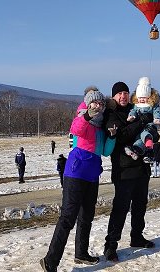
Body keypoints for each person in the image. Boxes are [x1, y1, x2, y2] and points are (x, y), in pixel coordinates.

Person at [40, 87, 117, 272]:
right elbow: (75, 129)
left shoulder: (100, 128)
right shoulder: (83, 118)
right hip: (75, 174)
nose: (98, 106)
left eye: (101, 103)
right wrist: (88, 116)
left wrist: (112, 137)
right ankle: (50, 261)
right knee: (67, 218)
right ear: (88, 103)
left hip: (92, 176)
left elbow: (105, 151)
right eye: (94, 103)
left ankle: (81, 253)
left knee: (86, 218)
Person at [103, 81, 158, 262]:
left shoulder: (138, 108)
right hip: (123, 169)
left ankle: (137, 236)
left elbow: (152, 129)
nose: (123, 96)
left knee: (140, 205)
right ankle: (110, 245)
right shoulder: (111, 115)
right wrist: (141, 123)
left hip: (142, 167)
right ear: (114, 97)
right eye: (119, 94)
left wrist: (152, 135)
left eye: (125, 93)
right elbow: (121, 136)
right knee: (120, 208)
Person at [125, 76, 160, 160]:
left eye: (144, 98)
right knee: (138, 137)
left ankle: (148, 143)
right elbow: (133, 111)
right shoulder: (136, 105)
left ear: (149, 97)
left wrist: (157, 118)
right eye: (140, 98)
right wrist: (131, 116)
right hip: (139, 126)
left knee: (144, 133)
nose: (142, 100)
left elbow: (157, 111)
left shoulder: (152, 105)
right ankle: (137, 149)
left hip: (149, 125)